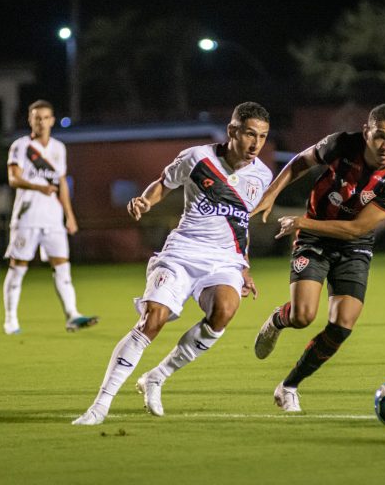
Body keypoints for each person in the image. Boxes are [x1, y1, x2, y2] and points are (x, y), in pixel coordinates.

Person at [73, 101, 272, 425]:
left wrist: (243, 266)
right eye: (250, 134)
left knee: (224, 310)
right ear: (232, 131)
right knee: (153, 319)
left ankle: (157, 376)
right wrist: (145, 202)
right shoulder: (198, 158)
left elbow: (240, 224)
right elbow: (163, 183)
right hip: (183, 252)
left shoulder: (262, 175)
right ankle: (100, 405)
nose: (256, 144)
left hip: (223, 260)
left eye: (262, 137)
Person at [252, 103, 385, 412]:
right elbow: (301, 161)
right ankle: (277, 320)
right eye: (380, 136)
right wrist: (271, 195)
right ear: (367, 132)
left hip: (353, 244)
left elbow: (356, 229)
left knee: (342, 324)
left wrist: (301, 221)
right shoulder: (341, 143)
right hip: (314, 239)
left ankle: (288, 387)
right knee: (302, 317)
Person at [2, 100, 98, 334]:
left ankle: (72, 315)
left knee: (63, 267)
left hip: (53, 219)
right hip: (27, 217)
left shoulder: (58, 148)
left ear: (52, 120)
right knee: (18, 267)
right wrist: (38, 188)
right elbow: (13, 179)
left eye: (45, 118)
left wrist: (70, 216)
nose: (41, 122)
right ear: (30, 120)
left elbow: (61, 182)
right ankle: (11, 319)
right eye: (37, 118)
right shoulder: (21, 146)